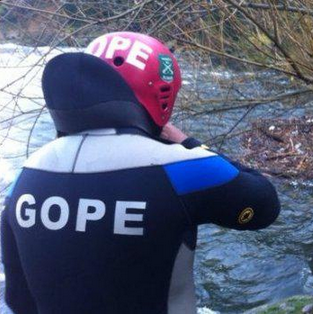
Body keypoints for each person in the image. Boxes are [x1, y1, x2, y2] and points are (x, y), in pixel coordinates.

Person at [1, 32, 280, 313]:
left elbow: (18, 300)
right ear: (161, 94)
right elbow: (264, 205)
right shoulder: (181, 166)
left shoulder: (26, 176)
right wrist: (188, 143)